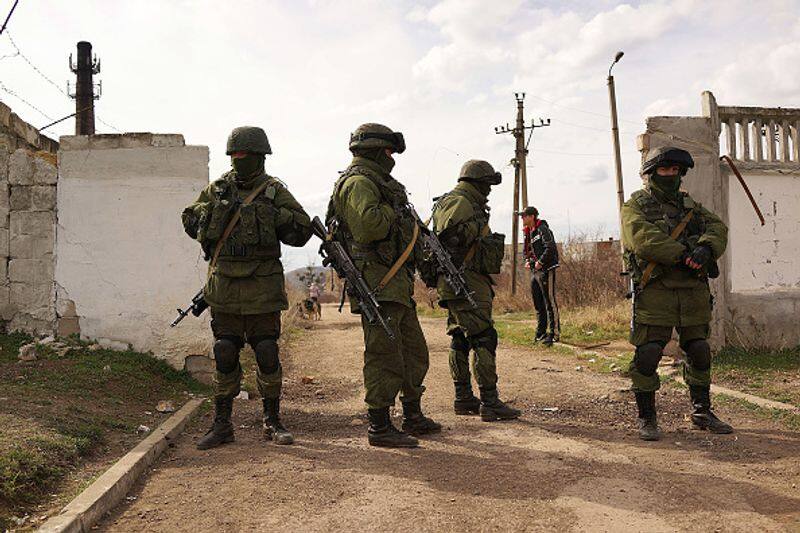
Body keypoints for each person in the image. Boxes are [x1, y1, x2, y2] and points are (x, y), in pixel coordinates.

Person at [182, 126, 313, 450]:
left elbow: (302, 231)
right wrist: (210, 213)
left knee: (267, 352)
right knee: (224, 352)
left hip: (263, 288)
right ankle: (222, 423)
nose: (239, 160)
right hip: (225, 286)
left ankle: (272, 420)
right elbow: (188, 220)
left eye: (246, 156)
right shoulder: (218, 189)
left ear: (260, 157)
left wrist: (275, 215)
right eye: (235, 156)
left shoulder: (273, 191)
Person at [325, 123, 440, 448]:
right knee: (384, 353)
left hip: (394, 284)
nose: (392, 159)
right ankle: (379, 425)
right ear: (376, 151)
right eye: (388, 152)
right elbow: (369, 226)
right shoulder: (359, 183)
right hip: (377, 283)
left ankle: (412, 415)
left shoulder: (379, 183)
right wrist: (395, 210)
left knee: (413, 352)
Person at [622, 146, 732, 441]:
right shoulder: (637, 205)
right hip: (656, 289)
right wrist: (684, 254)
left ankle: (702, 411)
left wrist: (705, 247)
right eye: (664, 169)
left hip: (692, 289)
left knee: (699, 349)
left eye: (675, 170)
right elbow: (641, 237)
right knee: (648, 354)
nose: (670, 174)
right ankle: (647, 417)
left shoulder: (690, 207)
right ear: (651, 173)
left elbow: (717, 227)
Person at [431, 160, 521, 421]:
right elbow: (449, 236)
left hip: (458, 281)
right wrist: (474, 230)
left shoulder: (453, 201)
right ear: (478, 183)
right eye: (487, 185)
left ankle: (464, 398)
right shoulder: (461, 202)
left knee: (460, 337)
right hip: (465, 281)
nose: (490, 191)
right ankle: (489, 402)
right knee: (483, 337)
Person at [521, 206, 560, 345]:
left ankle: (554, 333)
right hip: (534, 271)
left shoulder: (542, 228)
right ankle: (541, 332)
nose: (522, 218)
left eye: (524, 216)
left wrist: (540, 262)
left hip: (546, 268)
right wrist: (527, 260)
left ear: (532, 216)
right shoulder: (527, 232)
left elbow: (550, 247)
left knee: (549, 300)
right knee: (538, 302)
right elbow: (525, 251)